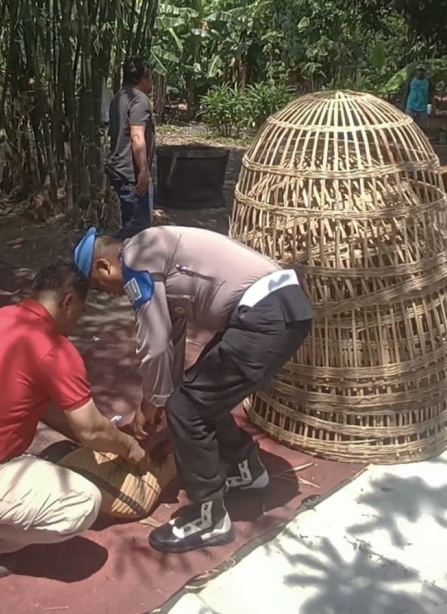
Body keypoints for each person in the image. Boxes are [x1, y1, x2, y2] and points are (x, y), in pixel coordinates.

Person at [73, 225, 313, 554]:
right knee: (196, 397)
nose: (112, 294)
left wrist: (154, 404)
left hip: (264, 317)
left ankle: (209, 516)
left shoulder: (136, 259)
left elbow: (154, 344)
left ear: (104, 266)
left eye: (102, 287)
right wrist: (154, 400)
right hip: (281, 307)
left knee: (186, 409)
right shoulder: (155, 248)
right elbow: (171, 335)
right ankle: (247, 470)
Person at [0, 259, 145, 579]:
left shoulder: (3, 317)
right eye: (81, 312)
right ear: (67, 302)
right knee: (82, 505)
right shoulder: (54, 350)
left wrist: (93, 438)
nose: (77, 321)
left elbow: (52, 411)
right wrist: (128, 447)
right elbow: (91, 428)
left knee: (48, 458)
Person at [106, 57, 156, 239]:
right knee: (140, 225)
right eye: (151, 77)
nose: (152, 82)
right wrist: (143, 170)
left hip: (117, 168)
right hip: (130, 172)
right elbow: (136, 135)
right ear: (144, 77)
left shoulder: (119, 97)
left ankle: (125, 262)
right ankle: (102, 249)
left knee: (131, 221)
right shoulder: (139, 100)